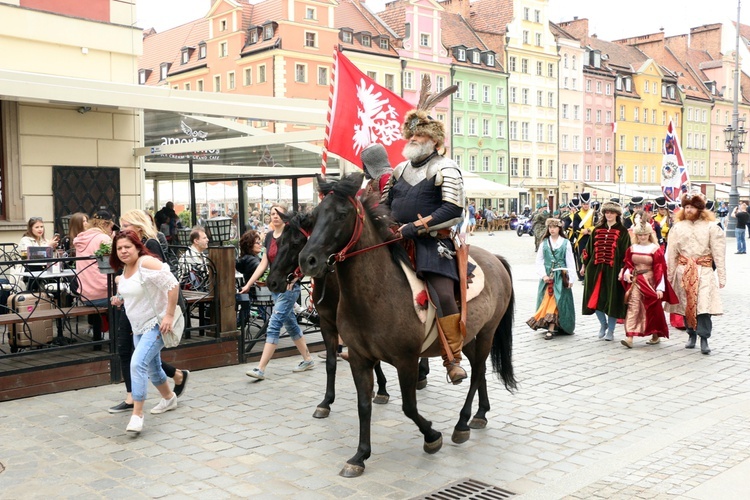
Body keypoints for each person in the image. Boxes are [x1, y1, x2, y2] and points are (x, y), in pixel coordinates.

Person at [381, 105, 468, 384]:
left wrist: (416, 227)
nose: (414, 140)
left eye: (420, 136)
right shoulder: (399, 170)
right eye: (412, 135)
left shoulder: (446, 168)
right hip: (396, 242)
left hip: (431, 245)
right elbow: (384, 205)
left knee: (441, 293)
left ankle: (452, 358)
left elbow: (453, 210)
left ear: (434, 141)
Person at [108, 209, 187, 414]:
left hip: (153, 315)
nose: (122, 229)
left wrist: (167, 314)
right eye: (121, 226)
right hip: (135, 311)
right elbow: (132, 280)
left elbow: (162, 281)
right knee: (145, 360)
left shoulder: (149, 246)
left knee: (137, 359)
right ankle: (171, 389)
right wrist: (122, 293)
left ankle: (135, 408)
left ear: (138, 226)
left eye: (126, 226)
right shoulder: (127, 252)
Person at [241, 203, 314, 380]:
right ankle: (307, 359)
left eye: (279, 213)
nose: (275, 216)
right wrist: (248, 284)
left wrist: (296, 278)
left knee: (274, 324)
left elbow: (305, 259)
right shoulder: (268, 237)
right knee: (290, 323)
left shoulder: (293, 235)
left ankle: (261, 368)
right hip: (274, 286)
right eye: (272, 213)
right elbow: (264, 263)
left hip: (289, 288)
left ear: (285, 215)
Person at [666, 193, 726, 354]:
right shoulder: (677, 228)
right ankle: (691, 334)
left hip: (703, 270)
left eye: (692, 207)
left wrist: (721, 275)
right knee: (686, 304)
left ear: (699, 209)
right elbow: (671, 254)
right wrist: (669, 276)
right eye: (686, 207)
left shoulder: (711, 227)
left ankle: (704, 338)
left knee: (703, 306)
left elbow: (718, 253)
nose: (688, 209)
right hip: (683, 270)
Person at [619, 218, 678, 348]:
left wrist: (660, 288)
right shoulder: (632, 248)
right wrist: (627, 273)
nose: (643, 237)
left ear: (649, 235)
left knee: (652, 309)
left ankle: (655, 334)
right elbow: (628, 264)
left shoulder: (655, 249)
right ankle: (629, 337)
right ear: (636, 235)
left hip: (651, 282)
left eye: (645, 234)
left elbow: (660, 269)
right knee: (633, 307)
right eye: (640, 235)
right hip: (636, 281)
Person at [581, 200, 630, 341]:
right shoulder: (596, 229)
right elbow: (588, 249)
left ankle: (611, 330)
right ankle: (603, 324)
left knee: (612, 300)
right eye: (607, 212)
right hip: (595, 270)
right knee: (594, 299)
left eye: (612, 212)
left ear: (617, 214)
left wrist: (623, 270)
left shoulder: (623, 231)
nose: (609, 215)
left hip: (614, 271)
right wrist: (584, 265)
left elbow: (626, 253)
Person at [526, 218, 576, 340]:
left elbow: (570, 261)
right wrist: (543, 275)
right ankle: (548, 323)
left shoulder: (566, 243)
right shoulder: (544, 243)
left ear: (559, 228)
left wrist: (571, 279)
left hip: (561, 276)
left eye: (554, 227)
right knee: (546, 300)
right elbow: (539, 261)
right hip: (548, 277)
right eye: (550, 227)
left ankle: (551, 328)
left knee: (557, 301)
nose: (552, 229)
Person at [73, 210, 115, 344]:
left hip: (85, 295)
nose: (111, 230)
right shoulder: (103, 239)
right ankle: (119, 338)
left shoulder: (81, 239)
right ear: (106, 224)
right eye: (111, 227)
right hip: (103, 294)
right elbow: (114, 265)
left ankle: (99, 333)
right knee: (130, 296)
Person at [572, 193, 596, 281]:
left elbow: (597, 225)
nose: (586, 205)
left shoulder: (593, 213)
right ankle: (581, 275)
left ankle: (590, 274)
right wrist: (583, 231)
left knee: (591, 255)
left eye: (587, 204)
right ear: (581, 204)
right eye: (584, 204)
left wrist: (589, 230)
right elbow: (575, 227)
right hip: (581, 238)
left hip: (591, 237)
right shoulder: (577, 214)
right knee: (581, 256)